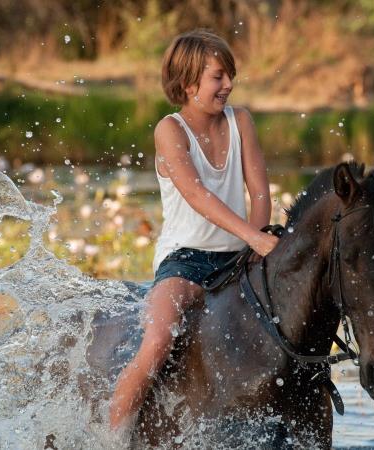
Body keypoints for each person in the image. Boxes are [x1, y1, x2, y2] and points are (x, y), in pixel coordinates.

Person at [109, 29, 279, 430]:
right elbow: (196, 194)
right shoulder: (169, 130)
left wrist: (252, 247)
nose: (229, 85)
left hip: (239, 260)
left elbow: (260, 194)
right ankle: (110, 436)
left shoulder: (241, 121)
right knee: (157, 342)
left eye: (230, 75)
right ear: (188, 84)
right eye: (218, 77)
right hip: (184, 261)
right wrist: (254, 237)